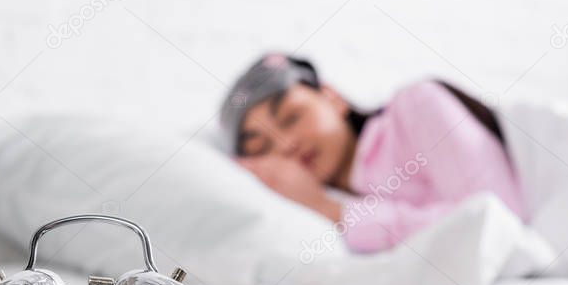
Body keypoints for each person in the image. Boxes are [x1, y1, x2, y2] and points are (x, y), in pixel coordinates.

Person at [219, 53, 529, 253]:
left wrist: (328, 209)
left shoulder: (416, 105)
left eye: (292, 117)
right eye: (265, 148)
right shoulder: (310, 215)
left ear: (331, 97)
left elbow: (499, 226)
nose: (286, 146)